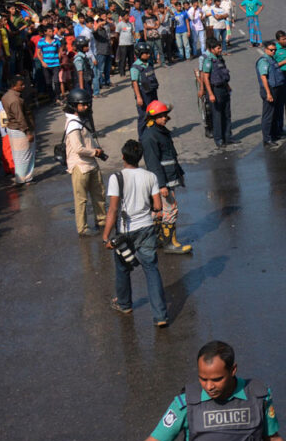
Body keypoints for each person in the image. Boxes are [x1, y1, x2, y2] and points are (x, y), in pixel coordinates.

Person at [109, 340, 286, 441]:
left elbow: (272, 440)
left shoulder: (259, 397)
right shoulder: (185, 404)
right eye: (203, 379)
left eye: (216, 379)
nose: (209, 386)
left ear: (233, 370)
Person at [102, 139, 169, 327]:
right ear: (140, 157)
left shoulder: (116, 178)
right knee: (151, 269)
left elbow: (113, 210)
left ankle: (125, 304)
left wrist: (106, 236)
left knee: (123, 267)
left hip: (125, 232)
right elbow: (157, 205)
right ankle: (160, 316)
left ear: (123, 157)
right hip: (147, 228)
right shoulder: (150, 176)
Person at [140, 101, 193, 254]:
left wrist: (179, 171)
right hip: (163, 181)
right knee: (170, 210)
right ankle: (170, 243)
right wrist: (161, 185)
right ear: (153, 117)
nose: (165, 118)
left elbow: (171, 154)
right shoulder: (150, 137)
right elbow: (153, 164)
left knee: (161, 212)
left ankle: (159, 240)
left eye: (165, 115)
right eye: (161, 116)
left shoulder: (161, 131)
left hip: (169, 176)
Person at [64, 89, 106, 237]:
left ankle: (101, 220)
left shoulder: (81, 120)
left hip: (91, 164)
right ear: (74, 105)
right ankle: (82, 228)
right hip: (80, 166)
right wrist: (95, 152)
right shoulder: (72, 125)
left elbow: (88, 141)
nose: (86, 107)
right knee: (81, 200)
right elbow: (78, 149)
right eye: (83, 105)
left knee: (99, 193)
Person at [0, 75, 35, 185]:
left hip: (13, 129)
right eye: (21, 85)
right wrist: (27, 132)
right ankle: (25, 178)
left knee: (18, 155)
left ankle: (22, 177)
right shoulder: (16, 100)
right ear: (14, 86)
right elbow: (20, 117)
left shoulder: (6, 96)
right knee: (25, 155)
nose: (23, 87)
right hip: (20, 130)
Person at [199, 38, 233, 147]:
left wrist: (228, 87)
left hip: (224, 88)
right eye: (218, 48)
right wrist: (211, 94)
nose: (220, 49)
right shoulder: (208, 61)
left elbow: (223, 74)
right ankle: (219, 140)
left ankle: (228, 137)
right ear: (212, 49)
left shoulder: (220, 59)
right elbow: (205, 78)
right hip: (215, 90)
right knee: (217, 116)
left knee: (227, 114)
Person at [257, 41, 286, 145]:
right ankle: (267, 138)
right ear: (266, 49)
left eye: (275, 50)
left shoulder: (272, 59)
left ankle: (275, 134)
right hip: (269, 89)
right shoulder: (263, 61)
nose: (274, 51)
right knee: (268, 115)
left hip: (277, 88)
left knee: (276, 113)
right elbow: (263, 77)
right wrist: (268, 93)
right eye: (271, 50)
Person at [130, 42, 159, 137]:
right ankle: (142, 138)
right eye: (145, 53)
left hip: (152, 92)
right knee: (143, 116)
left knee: (154, 113)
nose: (148, 55)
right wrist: (139, 97)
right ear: (139, 53)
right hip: (143, 94)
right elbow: (134, 83)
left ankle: (155, 133)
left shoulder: (149, 63)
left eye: (148, 52)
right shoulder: (135, 68)